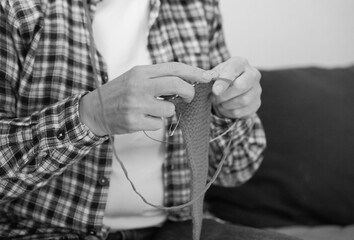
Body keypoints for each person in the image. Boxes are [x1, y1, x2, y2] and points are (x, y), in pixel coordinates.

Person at [0, 0, 299, 240]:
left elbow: (239, 170)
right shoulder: (18, 8)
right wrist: (89, 116)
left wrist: (231, 109)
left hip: (180, 227)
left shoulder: (196, 7)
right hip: (41, 229)